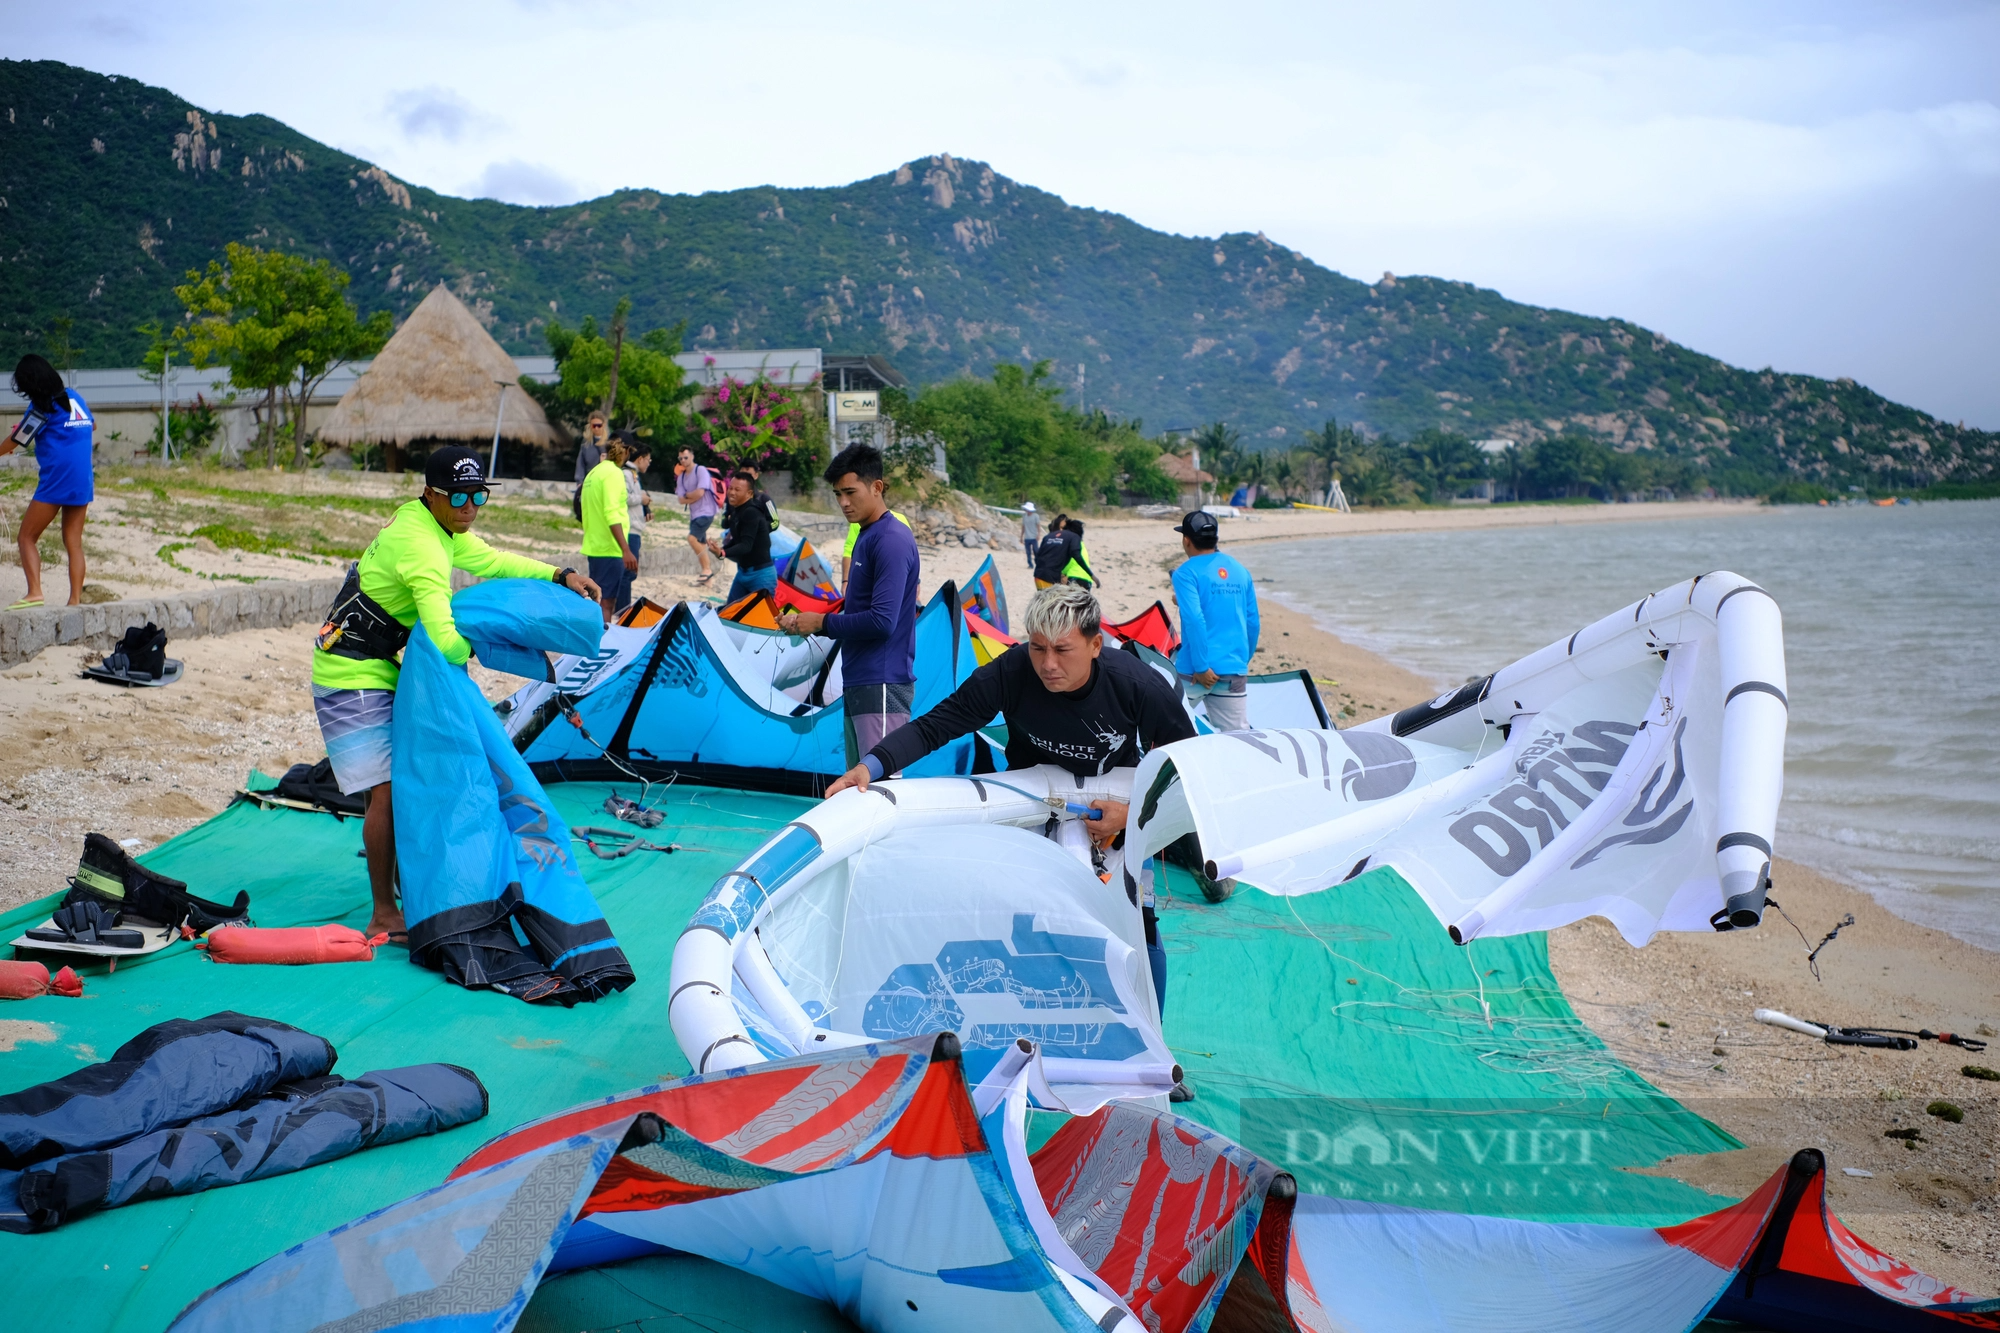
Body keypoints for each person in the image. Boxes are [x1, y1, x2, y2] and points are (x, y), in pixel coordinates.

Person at [828, 584, 1195, 1073]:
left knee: (1138, 925)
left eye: (1063, 650)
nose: (1047, 664)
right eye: (1038, 647)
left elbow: (1189, 769)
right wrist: (873, 765)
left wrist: (1131, 817)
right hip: (1032, 800)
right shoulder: (1013, 669)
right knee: (1025, 923)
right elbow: (944, 721)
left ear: (1094, 645)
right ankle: (1031, 1041)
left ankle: (1154, 1054)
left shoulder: (1136, 685)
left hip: (1117, 805)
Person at [311, 446, 600, 942]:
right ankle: (383, 912)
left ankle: (411, 890)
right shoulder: (422, 547)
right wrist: (497, 642)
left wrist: (559, 574)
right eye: (460, 496)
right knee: (385, 790)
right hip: (347, 671)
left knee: (406, 780)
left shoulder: (438, 524)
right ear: (431, 493)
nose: (470, 507)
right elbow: (445, 641)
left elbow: (491, 559)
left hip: (382, 662)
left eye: (479, 496)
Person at [780, 445, 920, 767]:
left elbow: (882, 621)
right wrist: (806, 621)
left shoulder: (891, 539)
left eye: (850, 492)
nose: (843, 502)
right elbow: (859, 611)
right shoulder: (865, 535)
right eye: (837, 494)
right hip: (859, 680)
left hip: (883, 684)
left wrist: (821, 624)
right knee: (859, 790)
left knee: (880, 792)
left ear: (877, 487)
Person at [0, 354, 94, 610]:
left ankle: (35, 592)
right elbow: (91, 426)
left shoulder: (42, 407)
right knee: (73, 542)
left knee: (26, 537)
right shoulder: (74, 397)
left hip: (57, 478)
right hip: (83, 479)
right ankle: (74, 601)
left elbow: (19, 439)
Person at [1169, 510, 1259, 733]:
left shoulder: (1185, 573)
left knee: (1169, 728)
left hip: (1194, 671)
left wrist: (1201, 666)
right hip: (1233, 670)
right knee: (1237, 737)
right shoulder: (1240, 571)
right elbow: (1252, 622)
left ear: (1186, 540)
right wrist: (1240, 661)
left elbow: (1195, 619)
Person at [580, 437, 638, 623]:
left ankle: (593, 644)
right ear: (625, 452)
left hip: (594, 545)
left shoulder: (594, 473)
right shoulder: (614, 474)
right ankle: (600, 645)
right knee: (606, 602)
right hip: (610, 548)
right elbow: (612, 513)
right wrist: (626, 550)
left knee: (596, 598)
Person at [710, 470, 774, 601]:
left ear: (749, 494)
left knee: (758, 619)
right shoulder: (736, 512)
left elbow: (746, 545)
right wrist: (720, 551)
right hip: (743, 573)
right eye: (731, 488)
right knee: (729, 614)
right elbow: (736, 540)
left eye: (737, 490)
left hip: (761, 575)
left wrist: (723, 553)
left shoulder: (752, 512)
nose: (732, 493)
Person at [674, 447, 719, 586]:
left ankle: (707, 570)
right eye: (681, 458)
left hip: (706, 511)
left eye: (686, 457)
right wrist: (691, 496)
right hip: (695, 514)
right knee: (700, 543)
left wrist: (688, 495)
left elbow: (700, 493)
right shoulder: (681, 477)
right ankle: (708, 580)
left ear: (692, 456)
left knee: (692, 538)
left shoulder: (701, 470)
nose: (683, 460)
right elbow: (681, 499)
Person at [840, 504, 911, 591]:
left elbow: (848, 551)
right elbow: (911, 555)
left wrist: (845, 582)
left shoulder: (860, 521)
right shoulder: (901, 519)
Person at [1032, 515, 1087, 590]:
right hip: (1059, 578)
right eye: (1062, 528)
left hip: (1052, 577)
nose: (1063, 530)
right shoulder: (1068, 541)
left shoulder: (1056, 540)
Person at [623, 442, 652, 572]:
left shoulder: (633, 474)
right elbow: (623, 497)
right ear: (640, 459)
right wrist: (641, 499)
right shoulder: (627, 474)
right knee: (628, 573)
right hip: (629, 529)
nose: (648, 463)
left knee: (630, 573)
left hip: (635, 527)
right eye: (648, 460)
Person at [1062, 518, 1097, 589]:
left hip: (1073, 577)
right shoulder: (1082, 545)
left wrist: (1061, 572)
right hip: (1087, 579)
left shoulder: (1071, 545)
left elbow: (1069, 563)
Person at [1019, 500, 1040, 571]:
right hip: (1027, 537)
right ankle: (1030, 564)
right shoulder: (1024, 516)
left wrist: (1038, 534)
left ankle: (1038, 564)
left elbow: (1038, 526)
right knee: (1028, 552)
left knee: (1036, 551)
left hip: (1034, 536)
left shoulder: (1036, 516)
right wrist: (1021, 536)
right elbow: (1023, 526)